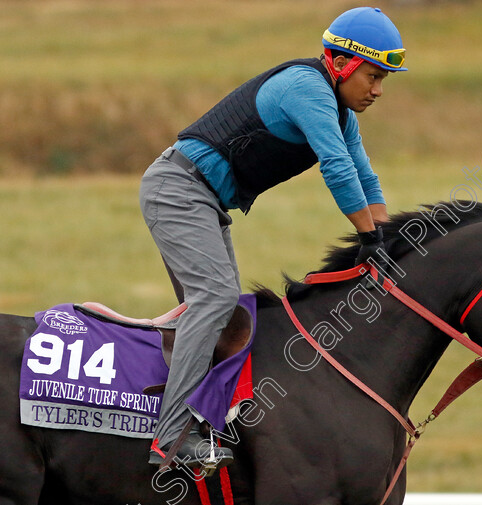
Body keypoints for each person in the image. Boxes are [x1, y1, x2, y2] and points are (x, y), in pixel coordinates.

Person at [139, 6, 407, 470]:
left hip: (203, 202)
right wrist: (367, 240)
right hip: (177, 190)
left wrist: (387, 239)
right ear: (341, 64)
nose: (378, 90)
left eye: (384, 79)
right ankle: (171, 438)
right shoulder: (307, 89)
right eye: (372, 76)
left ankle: (196, 420)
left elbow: (366, 176)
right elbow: (338, 169)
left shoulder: (343, 115)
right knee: (217, 299)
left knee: (223, 317)